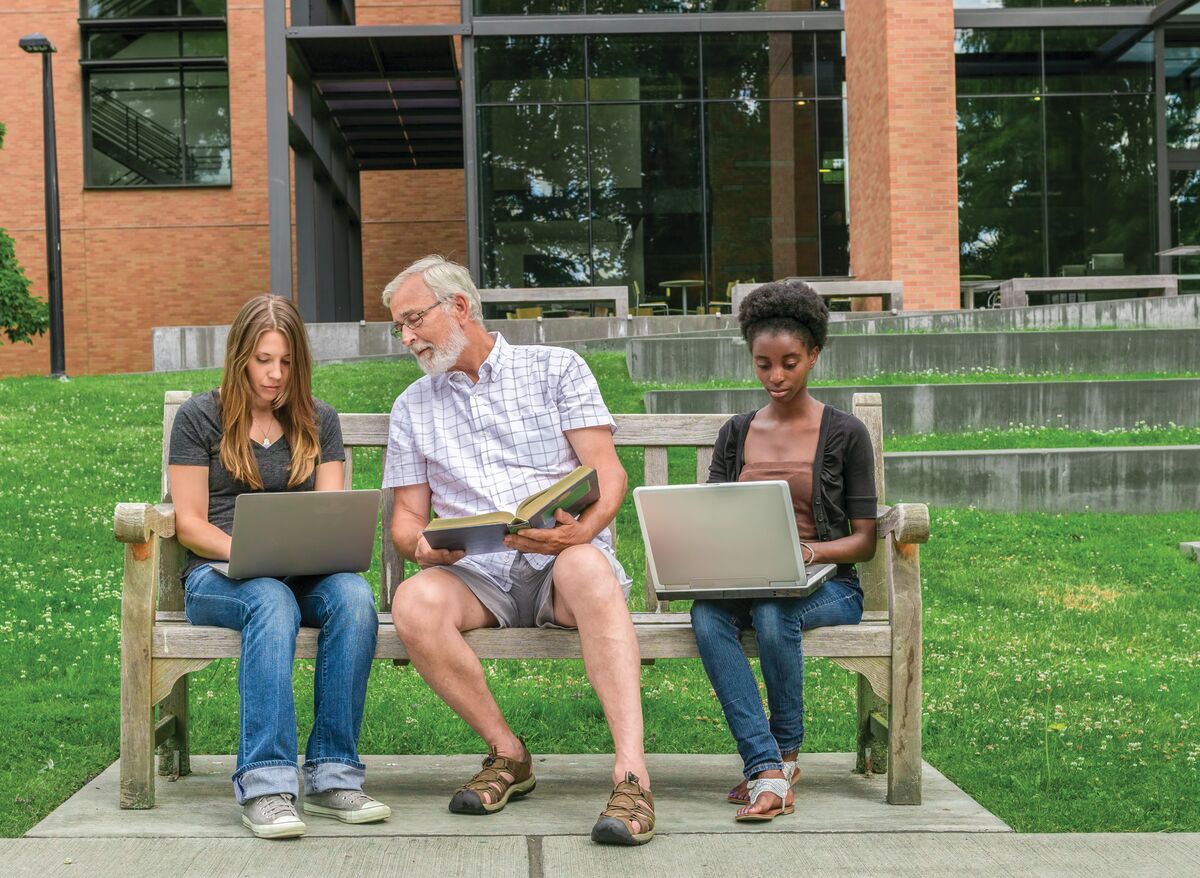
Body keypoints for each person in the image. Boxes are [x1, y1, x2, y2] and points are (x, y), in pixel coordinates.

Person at [382, 256, 655, 846]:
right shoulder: (412, 405)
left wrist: (580, 533)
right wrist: (421, 546)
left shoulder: (557, 369)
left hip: (563, 561)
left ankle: (632, 774)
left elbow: (608, 477)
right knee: (413, 603)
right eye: (397, 327)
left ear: (458, 307)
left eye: (412, 321)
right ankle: (508, 754)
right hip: (476, 573)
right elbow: (407, 517)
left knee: (586, 564)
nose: (405, 338)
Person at [169, 294, 388, 839]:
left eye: (287, 362)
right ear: (240, 356)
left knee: (355, 599)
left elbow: (329, 516)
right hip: (218, 577)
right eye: (264, 360)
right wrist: (247, 556)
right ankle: (266, 785)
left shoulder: (319, 420)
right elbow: (191, 523)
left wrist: (300, 556)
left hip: (299, 574)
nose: (275, 374)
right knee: (269, 597)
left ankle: (333, 774)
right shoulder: (200, 417)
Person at [691, 280, 877, 822]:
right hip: (748, 578)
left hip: (827, 585)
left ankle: (781, 757)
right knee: (706, 616)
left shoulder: (844, 433)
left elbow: (863, 541)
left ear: (814, 355)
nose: (776, 376)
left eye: (789, 362)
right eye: (763, 364)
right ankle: (768, 768)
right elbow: (714, 516)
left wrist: (808, 554)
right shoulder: (737, 432)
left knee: (776, 612)